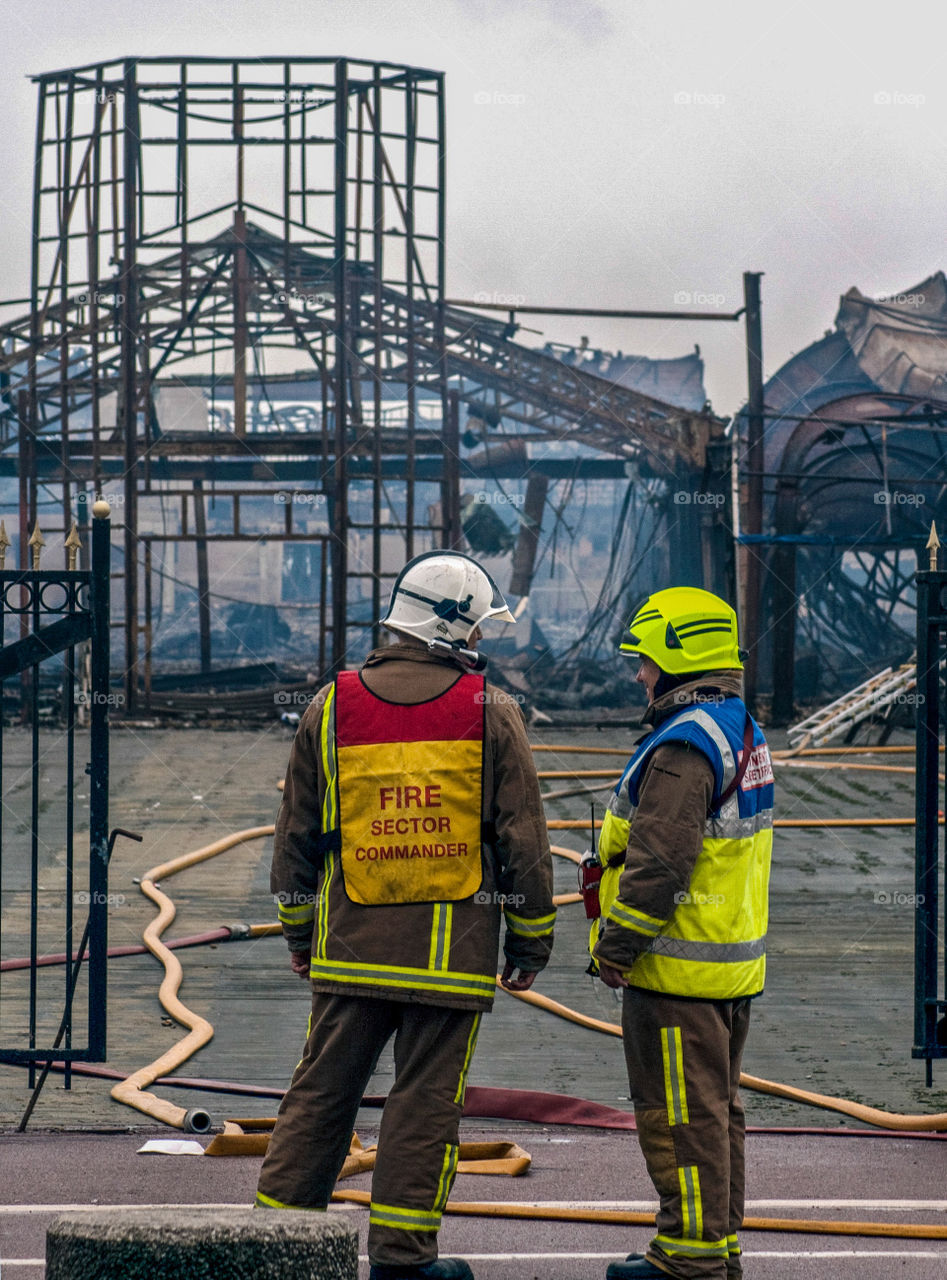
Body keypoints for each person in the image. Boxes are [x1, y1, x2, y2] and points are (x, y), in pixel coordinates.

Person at [256, 550, 556, 1280]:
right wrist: (530, 938)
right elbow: (524, 838)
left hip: (349, 948)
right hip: (448, 957)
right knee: (425, 1108)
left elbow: (295, 839)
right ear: (452, 627)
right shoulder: (491, 710)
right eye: (479, 627)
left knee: (320, 1095)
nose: (482, 641)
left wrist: (300, 934)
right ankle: (401, 1259)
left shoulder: (331, 706)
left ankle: (273, 1248)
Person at [590, 587, 773, 1280]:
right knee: (715, 1115)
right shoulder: (737, 727)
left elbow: (660, 860)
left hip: (676, 976)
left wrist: (616, 947)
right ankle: (714, 1248)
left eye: (644, 660)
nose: (638, 674)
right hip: (724, 970)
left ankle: (685, 1261)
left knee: (680, 1121)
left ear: (675, 659)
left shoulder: (684, 746)